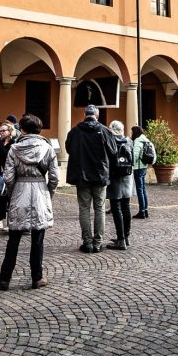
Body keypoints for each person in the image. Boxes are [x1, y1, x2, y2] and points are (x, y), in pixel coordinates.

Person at [0, 114, 58, 290]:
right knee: (38, 239)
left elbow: (8, 177)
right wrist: (48, 193)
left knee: (13, 239)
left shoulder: (14, 149)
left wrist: (13, 193)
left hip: (20, 190)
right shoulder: (48, 148)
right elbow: (54, 177)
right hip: (40, 191)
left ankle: (4, 278)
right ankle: (37, 277)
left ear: (22, 130)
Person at [64, 105, 116, 253]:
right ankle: (98, 243)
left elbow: (68, 149)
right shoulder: (104, 130)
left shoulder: (75, 131)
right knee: (99, 209)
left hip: (82, 175)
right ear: (97, 116)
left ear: (84, 114)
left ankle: (87, 243)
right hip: (100, 175)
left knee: (84, 208)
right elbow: (113, 151)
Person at [105, 120, 134, 250]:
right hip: (127, 177)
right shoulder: (129, 141)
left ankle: (120, 239)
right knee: (126, 207)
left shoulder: (110, 141)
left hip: (115, 177)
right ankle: (126, 237)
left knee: (116, 208)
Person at [0, 121, 17, 231]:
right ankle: (0, 221)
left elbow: (6, 154)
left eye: (3, 131)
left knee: (11, 199)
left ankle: (10, 223)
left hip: (10, 173)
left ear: (10, 131)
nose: (1, 132)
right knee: (2, 197)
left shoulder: (13, 144)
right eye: (0, 131)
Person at [131, 125, 151, 219]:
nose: (131, 133)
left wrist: (131, 164)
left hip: (138, 168)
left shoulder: (138, 141)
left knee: (140, 190)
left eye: (132, 132)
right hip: (144, 167)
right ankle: (145, 210)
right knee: (143, 189)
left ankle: (142, 211)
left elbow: (135, 155)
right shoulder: (146, 140)